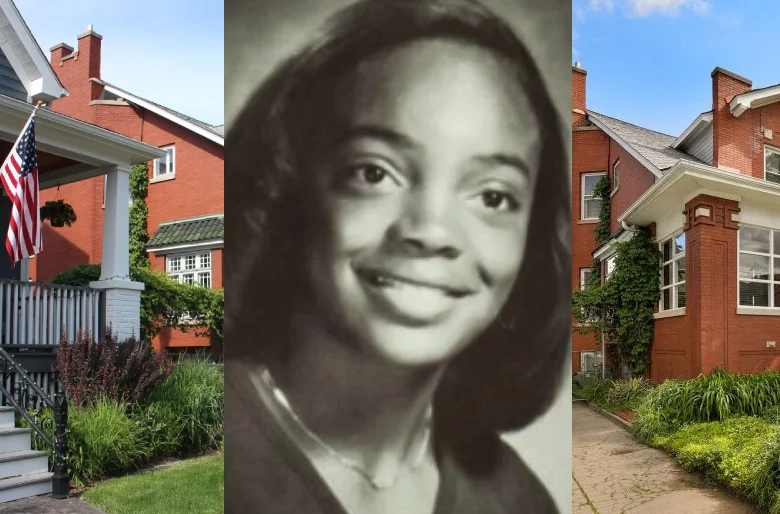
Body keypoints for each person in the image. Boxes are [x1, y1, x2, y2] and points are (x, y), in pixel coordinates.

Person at [224, 0, 570, 512]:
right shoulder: (220, 452)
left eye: (494, 196)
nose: (431, 232)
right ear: (286, 187)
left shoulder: (516, 501)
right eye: (374, 172)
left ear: (531, 243)